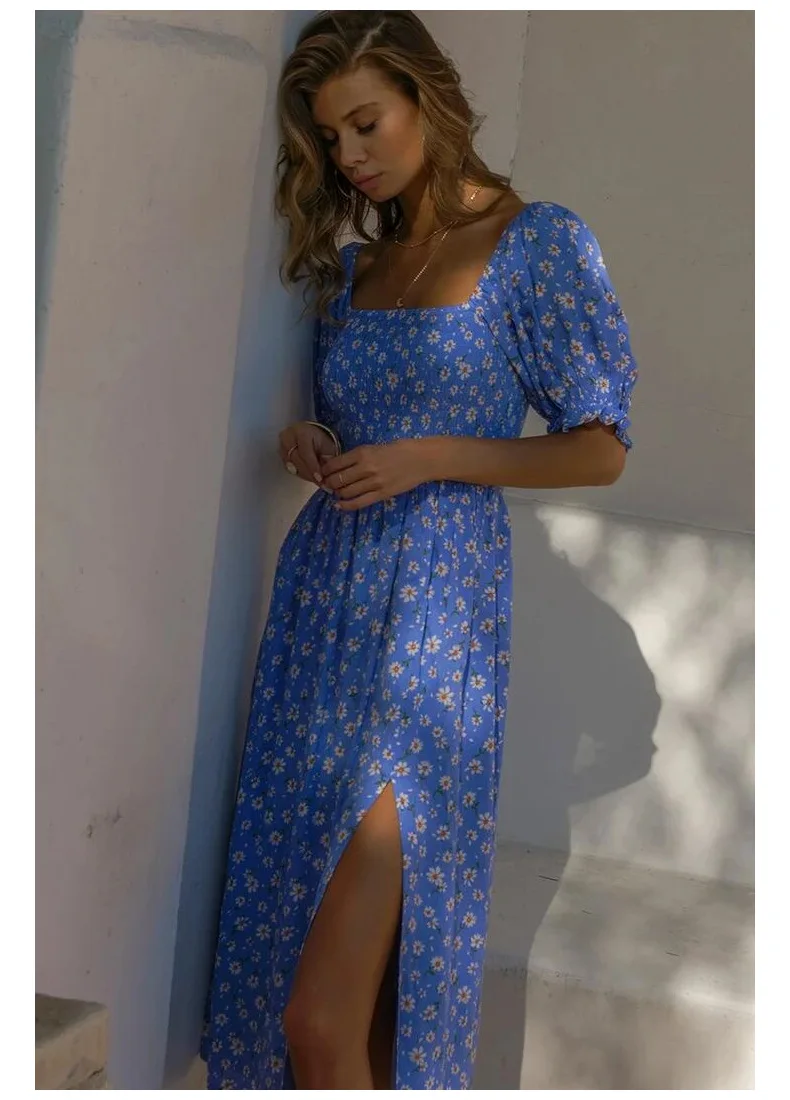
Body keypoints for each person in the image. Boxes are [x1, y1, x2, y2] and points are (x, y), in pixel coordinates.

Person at [201, 10, 638, 1091]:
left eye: (366, 123)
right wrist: (313, 440)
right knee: (339, 1010)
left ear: (428, 97)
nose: (350, 156)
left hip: (435, 639)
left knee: (319, 1019)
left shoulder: (538, 243)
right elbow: (357, 425)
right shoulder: (356, 266)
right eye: (330, 139)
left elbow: (599, 450)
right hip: (324, 613)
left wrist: (433, 457)